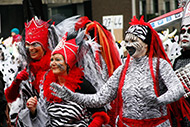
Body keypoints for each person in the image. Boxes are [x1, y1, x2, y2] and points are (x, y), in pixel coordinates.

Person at [50, 16, 190, 127]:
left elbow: (178, 90)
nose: (128, 45)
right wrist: (72, 96)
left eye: (134, 40)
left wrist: (158, 100)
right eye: (127, 40)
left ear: (146, 44)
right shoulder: (123, 69)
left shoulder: (160, 65)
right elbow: (99, 99)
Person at [24, 32, 109, 127]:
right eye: (52, 60)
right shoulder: (48, 85)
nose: (52, 63)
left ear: (68, 63)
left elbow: (100, 113)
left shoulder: (82, 84)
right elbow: (44, 117)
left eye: (58, 60)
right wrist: (34, 110)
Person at [4, 18, 52, 126]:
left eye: (35, 44)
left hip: (48, 120)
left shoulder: (53, 66)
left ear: (44, 46)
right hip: (26, 120)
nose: (31, 48)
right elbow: (10, 97)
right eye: (28, 44)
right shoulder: (24, 67)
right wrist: (17, 81)